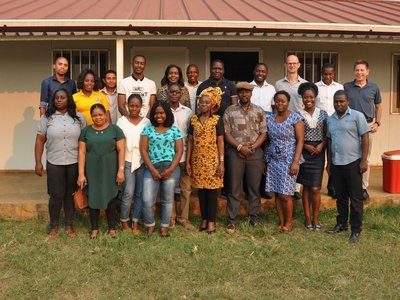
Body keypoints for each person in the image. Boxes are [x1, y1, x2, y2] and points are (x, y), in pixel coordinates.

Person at [35, 88, 86, 239]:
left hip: (74, 162)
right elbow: (39, 140)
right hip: (54, 162)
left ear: (68, 99)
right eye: (56, 98)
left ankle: (69, 225)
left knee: (70, 195)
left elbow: (84, 142)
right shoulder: (47, 118)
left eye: (62, 97)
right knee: (55, 195)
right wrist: (38, 162)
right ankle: (54, 226)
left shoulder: (79, 118)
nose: (59, 100)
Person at [223, 82, 267, 234]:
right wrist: (240, 147)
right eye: (241, 92)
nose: (244, 94)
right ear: (238, 93)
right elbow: (227, 133)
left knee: (254, 187)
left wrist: (253, 148)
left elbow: (263, 133)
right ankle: (232, 219)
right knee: (234, 188)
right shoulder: (230, 111)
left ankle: (254, 216)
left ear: (251, 93)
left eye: (247, 92)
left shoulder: (259, 111)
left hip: (255, 154)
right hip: (235, 153)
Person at [326, 90, 370, 242]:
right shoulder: (330, 119)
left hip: (353, 163)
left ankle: (356, 230)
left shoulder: (357, 116)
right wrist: (329, 162)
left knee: (356, 198)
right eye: (336, 101)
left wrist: (364, 160)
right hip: (337, 164)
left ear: (348, 101)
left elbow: (365, 137)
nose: (339, 104)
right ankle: (341, 224)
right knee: (341, 197)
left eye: (341, 101)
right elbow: (329, 141)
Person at [77, 104, 125, 239]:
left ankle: (112, 228)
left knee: (111, 197)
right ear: (91, 117)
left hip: (110, 169)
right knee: (93, 197)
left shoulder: (115, 130)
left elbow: (121, 150)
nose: (97, 117)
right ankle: (94, 228)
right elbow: (81, 152)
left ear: (105, 114)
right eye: (94, 115)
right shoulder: (86, 131)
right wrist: (81, 174)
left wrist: (121, 170)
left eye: (100, 114)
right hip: (92, 170)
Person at [140, 101, 183, 237]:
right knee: (147, 200)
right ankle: (150, 224)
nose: (159, 115)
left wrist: (171, 169)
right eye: (156, 113)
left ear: (167, 114)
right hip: (151, 167)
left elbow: (179, 150)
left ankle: (164, 226)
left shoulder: (175, 130)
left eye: (162, 113)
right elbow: (143, 150)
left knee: (167, 199)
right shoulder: (148, 129)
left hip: (170, 167)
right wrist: (152, 170)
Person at [264, 90, 304, 232]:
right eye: (277, 101)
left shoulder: (295, 118)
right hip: (274, 160)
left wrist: (295, 162)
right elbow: (268, 141)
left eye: (283, 101)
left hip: (289, 161)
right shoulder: (271, 119)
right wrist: (266, 160)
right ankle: (281, 222)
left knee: (285, 194)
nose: (280, 103)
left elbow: (300, 141)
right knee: (276, 192)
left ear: (288, 102)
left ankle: (289, 223)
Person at [186, 87, 225, 234]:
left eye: (207, 102)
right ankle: (203, 219)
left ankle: (211, 221)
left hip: (212, 161)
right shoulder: (194, 120)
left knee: (211, 192)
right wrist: (188, 161)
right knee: (201, 191)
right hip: (198, 161)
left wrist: (221, 162)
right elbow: (190, 141)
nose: (203, 105)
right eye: (201, 102)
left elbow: (220, 142)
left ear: (212, 104)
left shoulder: (217, 120)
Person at [344, 59, 382, 200]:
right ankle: (351, 186)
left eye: (362, 70)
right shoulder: (347, 87)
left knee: (365, 158)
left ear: (367, 72)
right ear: (354, 71)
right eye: (357, 70)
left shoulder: (374, 87)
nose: (359, 72)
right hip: (350, 127)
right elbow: (342, 105)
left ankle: (363, 187)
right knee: (351, 158)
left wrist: (377, 123)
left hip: (367, 126)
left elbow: (378, 106)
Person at [116, 94, 150, 234]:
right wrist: (120, 167)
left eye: (137, 106)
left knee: (140, 193)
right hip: (127, 160)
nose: (134, 108)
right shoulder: (121, 122)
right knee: (128, 193)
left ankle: (135, 221)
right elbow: (118, 145)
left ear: (141, 107)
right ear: (127, 106)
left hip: (142, 161)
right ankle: (124, 221)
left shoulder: (147, 122)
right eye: (131, 106)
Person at [275, 55, 307, 200]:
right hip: (284, 124)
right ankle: (283, 183)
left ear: (299, 65)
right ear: (285, 65)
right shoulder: (278, 84)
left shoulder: (305, 84)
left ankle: (296, 187)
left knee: (298, 154)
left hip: (299, 123)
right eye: (289, 63)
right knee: (284, 154)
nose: (292, 66)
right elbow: (276, 104)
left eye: (294, 63)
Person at [297, 83, 328, 231]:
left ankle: (316, 219)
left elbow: (327, 135)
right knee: (306, 187)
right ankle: (307, 218)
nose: (308, 99)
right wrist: (305, 146)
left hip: (319, 154)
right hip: (304, 152)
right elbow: (295, 137)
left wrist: (322, 145)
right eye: (305, 97)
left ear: (315, 98)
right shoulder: (297, 115)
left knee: (315, 188)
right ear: (302, 99)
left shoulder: (323, 114)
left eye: (311, 97)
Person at [167, 84, 195, 230]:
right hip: (168, 154)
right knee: (169, 187)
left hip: (185, 153)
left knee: (186, 188)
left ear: (181, 94)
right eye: (171, 92)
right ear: (167, 93)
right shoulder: (163, 110)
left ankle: (183, 218)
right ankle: (170, 218)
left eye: (177, 92)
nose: (174, 94)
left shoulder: (188, 112)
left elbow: (191, 135)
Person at [315, 63, 343, 199]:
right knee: (320, 156)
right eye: (325, 74)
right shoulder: (315, 87)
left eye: (330, 74)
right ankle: (316, 185)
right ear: (321, 73)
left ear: (334, 73)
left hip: (335, 124)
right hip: (319, 126)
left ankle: (332, 186)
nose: (327, 76)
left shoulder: (339, 87)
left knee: (334, 155)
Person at [250, 62, 276, 200]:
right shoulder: (249, 87)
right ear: (254, 72)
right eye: (258, 71)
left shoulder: (271, 88)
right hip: (252, 126)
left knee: (266, 155)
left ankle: (264, 188)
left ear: (266, 73)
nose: (260, 73)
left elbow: (275, 108)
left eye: (263, 71)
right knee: (253, 155)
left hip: (268, 125)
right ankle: (250, 189)